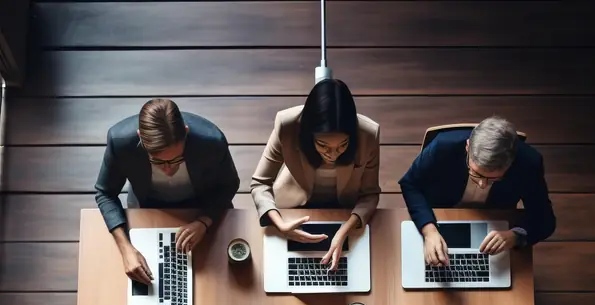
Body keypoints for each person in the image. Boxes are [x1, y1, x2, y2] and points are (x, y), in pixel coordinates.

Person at [95, 98, 240, 284]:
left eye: (176, 160)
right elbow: (105, 193)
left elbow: (229, 185)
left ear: (186, 133)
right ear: (140, 136)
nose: (169, 170)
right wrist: (126, 249)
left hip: (203, 206)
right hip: (147, 206)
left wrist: (204, 221)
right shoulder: (119, 141)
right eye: (157, 161)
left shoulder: (212, 141)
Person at [250, 79, 380, 271]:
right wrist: (279, 224)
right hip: (294, 206)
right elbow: (260, 183)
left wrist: (345, 229)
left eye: (343, 145)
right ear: (308, 134)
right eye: (323, 145)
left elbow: (370, 194)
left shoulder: (369, 134)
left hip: (346, 209)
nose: (333, 155)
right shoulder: (287, 125)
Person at [399, 116, 556, 266]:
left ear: (510, 163)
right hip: (440, 216)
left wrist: (515, 236)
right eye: (476, 173)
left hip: (493, 221)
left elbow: (545, 219)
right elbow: (410, 183)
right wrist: (429, 231)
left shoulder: (529, 163)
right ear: (467, 147)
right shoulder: (442, 147)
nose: (482, 184)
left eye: (494, 178)